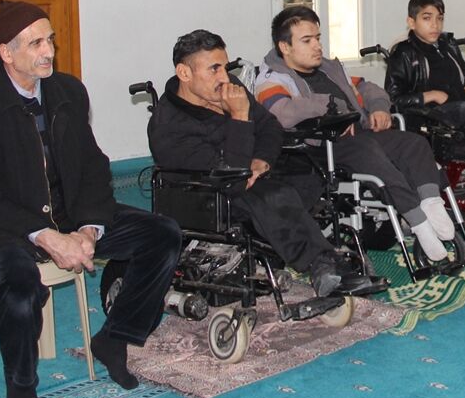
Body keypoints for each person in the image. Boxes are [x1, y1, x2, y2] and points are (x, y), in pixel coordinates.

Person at [0, 0, 180, 398]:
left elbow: (92, 166)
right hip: (5, 228)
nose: (49, 51)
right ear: (6, 52)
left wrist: (88, 229)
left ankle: (115, 337)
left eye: (50, 40)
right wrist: (46, 237)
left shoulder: (68, 91)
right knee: (19, 286)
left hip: (70, 215)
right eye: (36, 43)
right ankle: (21, 386)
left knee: (162, 234)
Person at [149, 29, 382, 296]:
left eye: (225, 67)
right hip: (211, 194)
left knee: (310, 168)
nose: (224, 77)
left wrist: (262, 161)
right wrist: (239, 117)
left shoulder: (229, 88)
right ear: (184, 73)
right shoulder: (167, 125)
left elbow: (270, 127)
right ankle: (324, 265)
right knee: (273, 195)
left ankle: (287, 245)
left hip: (250, 173)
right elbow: (229, 179)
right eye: (214, 69)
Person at [254, 6, 456, 262]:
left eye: (317, 38)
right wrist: (334, 108)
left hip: (359, 134)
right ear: (285, 46)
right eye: (307, 40)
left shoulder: (329, 68)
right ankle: (418, 221)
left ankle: (431, 203)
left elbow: (367, 87)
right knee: (367, 151)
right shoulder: (271, 78)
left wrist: (379, 107)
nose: (317, 46)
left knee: (414, 143)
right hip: (321, 146)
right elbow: (283, 112)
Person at [384, 0, 465, 130]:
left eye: (440, 18)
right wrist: (432, 95)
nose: (435, 25)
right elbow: (393, 100)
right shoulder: (403, 52)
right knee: (462, 109)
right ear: (412, 22)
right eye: (427, 18)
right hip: (430, 115)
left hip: (462, 103)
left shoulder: (449, 45)